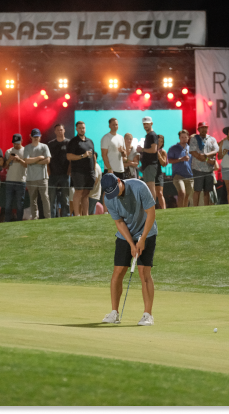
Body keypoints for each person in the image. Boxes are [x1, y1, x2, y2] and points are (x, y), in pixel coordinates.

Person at [100, 173, 157, 326]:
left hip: (147, 231)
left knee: (144, 272)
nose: (115, 195)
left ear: (119, 181)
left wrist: (142, 239)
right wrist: (132, 244)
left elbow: (151, 213)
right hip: (125, 235)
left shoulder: (139, 187)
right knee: (118, 272)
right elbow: (119, 222)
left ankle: (147, 315)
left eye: (115, 190)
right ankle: (114, 313)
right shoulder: (109, 198)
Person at [67, 121, 96, 216]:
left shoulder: (90, 141)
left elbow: (93, 156)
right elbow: (69, 156)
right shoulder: (73, 142)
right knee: (78, 192)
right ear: (76, 129)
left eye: (83, 128)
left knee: (86, 194)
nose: (82, 129)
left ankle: (86, 215)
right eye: (80, 128)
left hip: (90, 172)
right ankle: (77, 215)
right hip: (78, 172)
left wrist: (94, 170)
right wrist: (82, 156)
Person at [189, 121, 219, 207]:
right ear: (198, 129)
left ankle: (206, 208)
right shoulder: (194, 139)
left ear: (207, 128)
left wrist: (206, 156)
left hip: (209, 169)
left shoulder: (212, 139)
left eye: (205, 128)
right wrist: (203, 158)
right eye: (202, 128)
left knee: (207, 190)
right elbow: (193, 152)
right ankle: (195, 207)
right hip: (198, 168)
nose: (203, 129)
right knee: (197, 190)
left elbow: (216, 150)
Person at [24, 128, 51, 220]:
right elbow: (26, 161)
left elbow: (47, 160)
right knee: (33, 200)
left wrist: (33, 161)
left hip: (43, 177)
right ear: (31, 137)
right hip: (31, 178)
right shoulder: (27, 147)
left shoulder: (44, 146)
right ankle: (35, 217)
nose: (36, 138)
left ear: (40, 136)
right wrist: (39, 158)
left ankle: (48, 217)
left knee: (45, 198)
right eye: (34, 136)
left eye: (37, 136)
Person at [47, 124, 71, 218]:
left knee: (65, 199)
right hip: (53, 175)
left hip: (65, 175)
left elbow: (71, 160)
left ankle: (66, 217)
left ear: (64, 130)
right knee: (52, 199)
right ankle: (52, 218)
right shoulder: (50, 144)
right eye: (58, 130)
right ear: (55, 131)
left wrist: (68, 172)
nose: (60, 131)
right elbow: (48, 160)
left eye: (61, 130)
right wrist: (49, 172)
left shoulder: (69, 143)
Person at [3, 134, 28, 222]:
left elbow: (27, 165)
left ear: (21, 141)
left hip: (21, 181)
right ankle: (7, 221)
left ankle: (19, 221)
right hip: (9, 180)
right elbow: (4, 166)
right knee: (8, 203)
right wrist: (9, 159)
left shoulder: (25, 151)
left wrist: (19, 160)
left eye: (18, 143)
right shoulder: (8, 151)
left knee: (20, 203)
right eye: (14, 143)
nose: (16, 145)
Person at [168, 130, 194, 208]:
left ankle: (184, 212)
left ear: (188, 137)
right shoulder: (173, 148)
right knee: (182, 193)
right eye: (182, 137)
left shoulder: (191, 149)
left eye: (185, 137)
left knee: (187, 197)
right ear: (179, 138)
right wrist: (180, 159)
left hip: (190, 176)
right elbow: (169, 160)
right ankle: (179, 211)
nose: (184, 139)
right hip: (178, 175)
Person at [137, 116, 159, 200]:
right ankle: (151, 205)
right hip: (148, 165)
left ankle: (152, 205)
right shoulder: (149, 135)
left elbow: (153, 150)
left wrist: (141, 149)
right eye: (144, 124)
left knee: (150, 186)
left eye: (147, 124)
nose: (145, 125)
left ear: (151, 124)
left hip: (150, 165)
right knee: (149, 186)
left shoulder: (152, 135)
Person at [155, 135, 168, 209]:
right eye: (158, 141)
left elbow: (163, 163)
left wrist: (158, 154)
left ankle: (164, 209)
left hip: (158, 173)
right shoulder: (150, 150)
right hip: (151, 173)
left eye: (161, 141)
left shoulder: (163, 151)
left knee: (160, 193)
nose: (159, 143)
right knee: (152, 193)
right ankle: (151, 210)